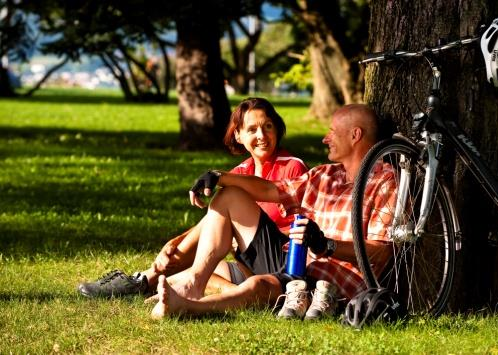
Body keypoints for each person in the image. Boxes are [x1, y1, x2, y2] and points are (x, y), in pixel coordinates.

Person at [149, 103, 395, 320]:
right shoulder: (325, 174)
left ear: (355, 135)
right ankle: (193, 284)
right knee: (230, 196)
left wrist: (326, 245)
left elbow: (381, 252)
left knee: (258, 285)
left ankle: (191, 307)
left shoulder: (384, 182)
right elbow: (269, 190)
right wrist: (219, 176)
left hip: (326, 284)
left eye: (332, 131)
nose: (325, 138)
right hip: (293, 261)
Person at [77, 97, 308, 298]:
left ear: (277, 129)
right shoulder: (240, 171)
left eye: (268, 126)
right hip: (251, 263)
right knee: (197, 270)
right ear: (237, 135)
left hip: (285, 262)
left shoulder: (292, 167)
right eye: (252, 129)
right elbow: (212, 222)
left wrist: (220, 180)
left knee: (224, 207)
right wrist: (176, 241)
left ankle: (145, 280)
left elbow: (285, 211)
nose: (262, 135)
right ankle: (235, 292)